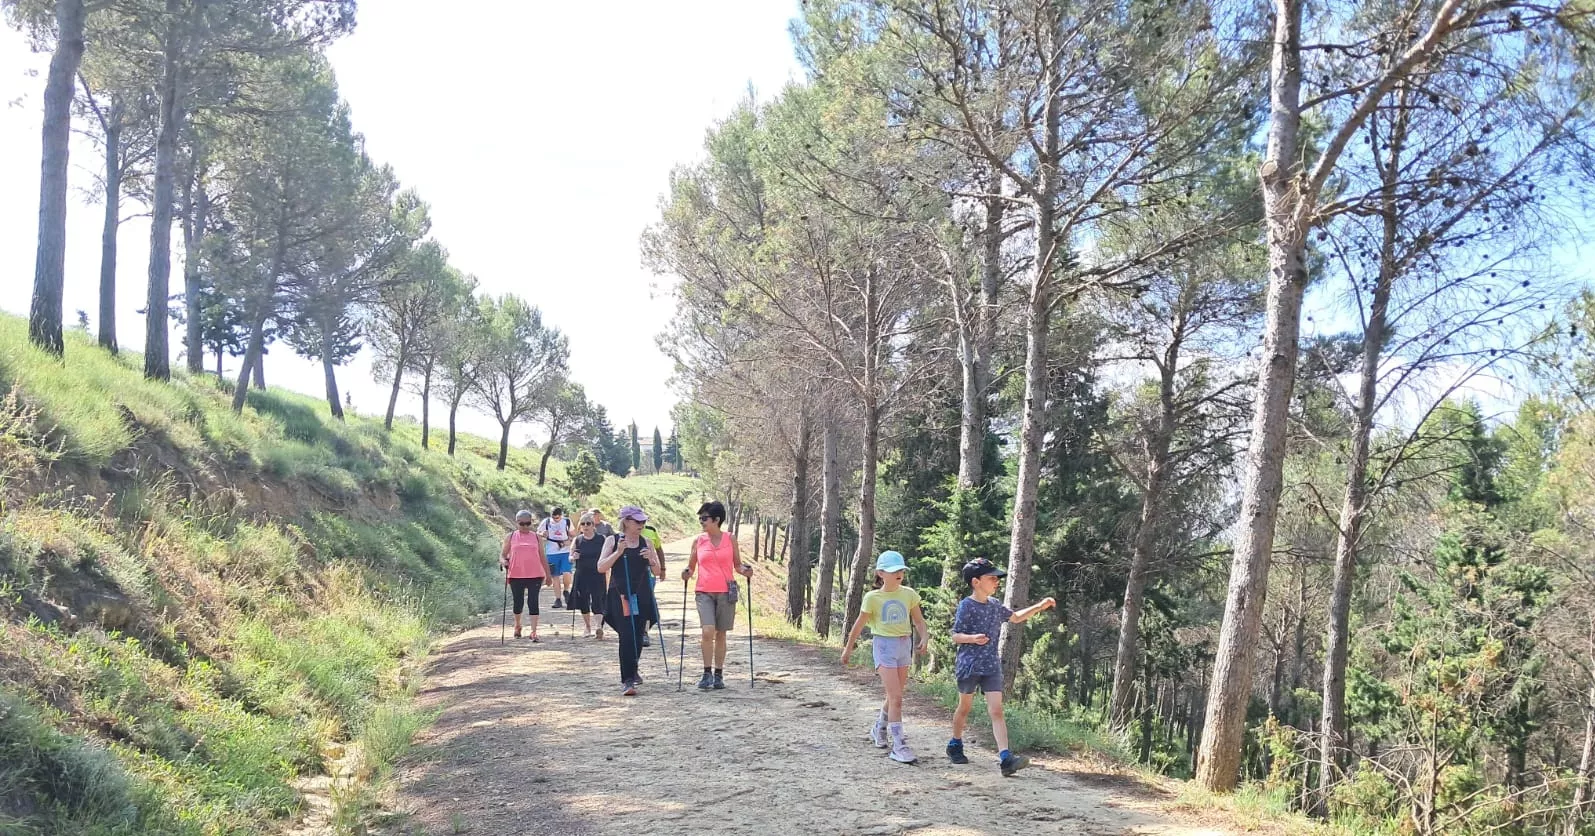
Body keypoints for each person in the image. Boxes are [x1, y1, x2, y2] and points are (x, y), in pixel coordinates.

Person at [947, 558, 1056, 776]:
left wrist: (1039, 606)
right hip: (969, 666)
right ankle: (955, 744)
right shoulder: (966, 606)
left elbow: (1015, 618)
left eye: (997, 578)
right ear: (976, 582)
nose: (996, 581)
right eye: (991, 578)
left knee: (996, 710)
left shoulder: (996, 606)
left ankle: (1006, 758)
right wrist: (972, 638)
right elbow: (955, 636)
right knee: (964, 708)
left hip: (991, 666)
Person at [841, 550, 929, 764]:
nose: (898, 574)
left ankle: (878, 728)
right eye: (892, 571)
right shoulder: (873, 598)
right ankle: (899, 745)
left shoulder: (909, 594)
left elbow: (918, 620)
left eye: (900, 570)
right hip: (883, 646)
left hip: (903, 645)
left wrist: (924, 637)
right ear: (880, 573)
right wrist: (848, 648)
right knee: (897, 697)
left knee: (894, 696)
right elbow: (859, 624)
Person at [680, 500, 753, 690]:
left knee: (721, 633)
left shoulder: (731, 539)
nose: (701, 522)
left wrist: (745, 570)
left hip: (725, 591)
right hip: (703, 591)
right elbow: (691, 566)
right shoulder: (698, 541)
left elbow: (737, 564)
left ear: (716, 519)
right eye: (700, 518)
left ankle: (718, 674)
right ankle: (706, 673)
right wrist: (686, 573)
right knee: (707, 630)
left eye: (704, 518)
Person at [597, 506, 662, 696]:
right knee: (626, 635)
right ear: (626, 521)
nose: (641, 525)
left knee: (638, 635)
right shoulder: (613, 540)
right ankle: (628, 679)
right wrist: (618, 553)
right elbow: (601, 567)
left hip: (641, 594)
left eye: (643, 521)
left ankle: (633, 669)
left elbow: (656, 571)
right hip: (620, 595)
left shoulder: (647, 542)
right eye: (637, 521)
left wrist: (651, 559)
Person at [501, 509, 555, 641]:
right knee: (518, 602)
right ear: (517, 522)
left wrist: (548, 575)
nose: (525, 526)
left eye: (528, 523)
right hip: (515, 574)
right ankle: (518, 625)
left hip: (535, 574)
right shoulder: (511, 536)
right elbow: (502, 555)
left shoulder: (537, 537)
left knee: (533, 601)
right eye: (522, 524)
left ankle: (534, 631)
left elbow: (543, 557)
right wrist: (503, 561)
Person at [570, 511, 612, 639]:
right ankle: (587, 627)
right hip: (582, 574)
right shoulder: (577, 540)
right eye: (583, 524)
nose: (586, 526)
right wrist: (573, 557)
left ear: (593, 525)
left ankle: (599, 627)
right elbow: (570, 556)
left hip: (597, 574)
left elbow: (607, 555)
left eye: (588, 523)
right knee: (583, 601)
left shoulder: (601, 539)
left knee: (598, 600)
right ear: (580, 527)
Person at [538, 507, 574, 608]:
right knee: (555, 576)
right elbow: (538, 534)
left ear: (561, 515)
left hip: (565, 551)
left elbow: (574, 535)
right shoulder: (546, 522)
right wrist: (542, 534)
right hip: (551, 552)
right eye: (554, 517)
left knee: (567, 572)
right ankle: (558, 599)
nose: (555, 519)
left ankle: (566, 590)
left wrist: (569, 541)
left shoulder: (567, 521)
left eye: (557, 518)